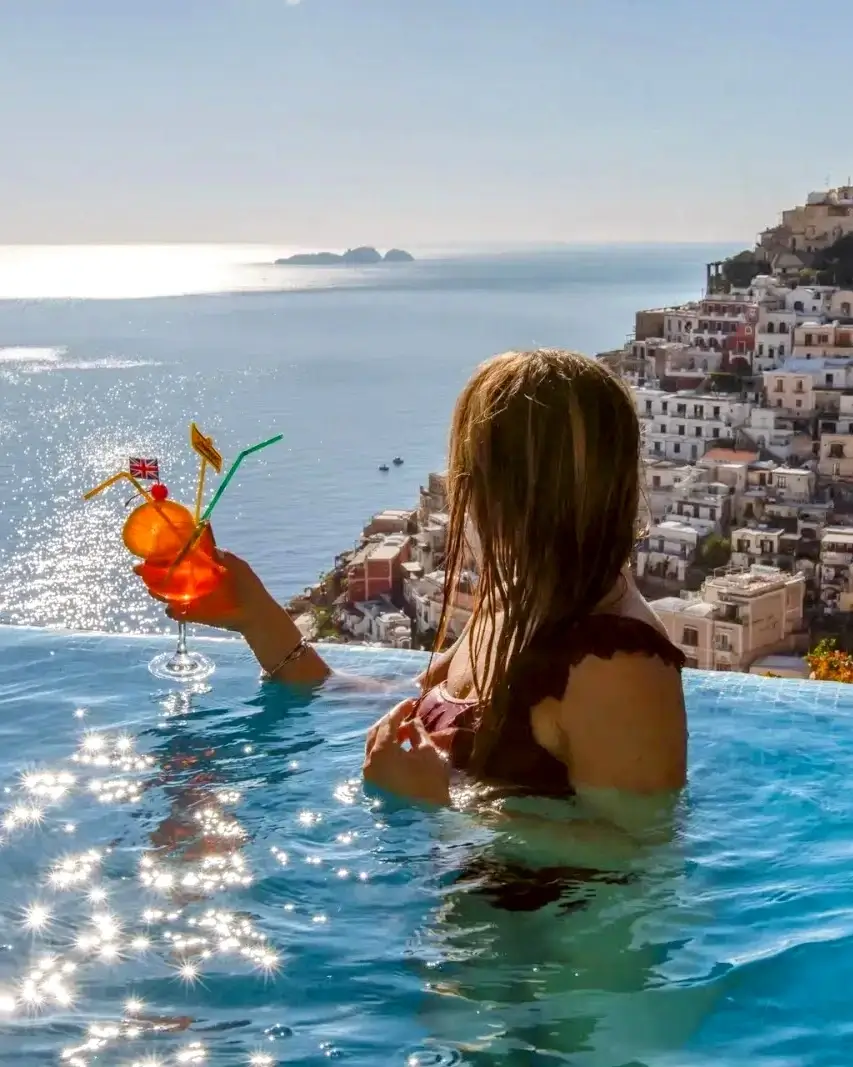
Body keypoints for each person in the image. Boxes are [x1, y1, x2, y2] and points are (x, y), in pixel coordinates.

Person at [160, 349, 687, 826]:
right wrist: (256, 617)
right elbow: (410, 714)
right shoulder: (512, 601)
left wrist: (444, 804)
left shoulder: (620, 663)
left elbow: (636, 856)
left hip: (541, 932)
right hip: (475, 912)